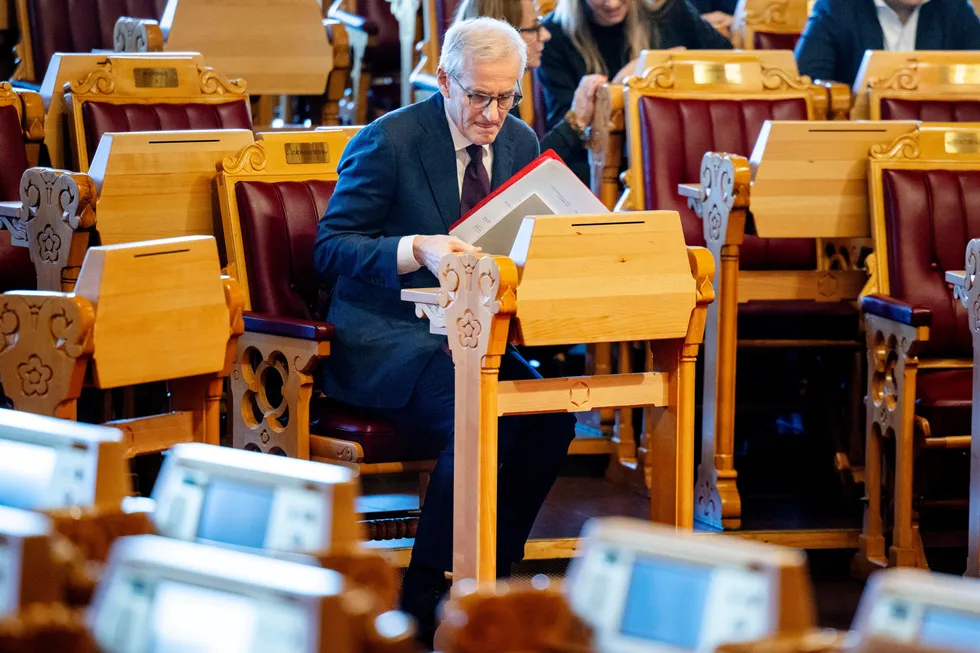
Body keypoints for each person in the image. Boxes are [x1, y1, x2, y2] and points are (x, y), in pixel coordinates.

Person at [313, 17, 577, 646]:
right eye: (479, 96)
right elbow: (331, 247)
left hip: (472, 336)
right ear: (443, 80)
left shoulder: (517, 139)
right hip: (389, 338)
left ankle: (491, 566)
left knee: (552, 418)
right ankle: (427, 589)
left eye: (506, 96)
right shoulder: (391, 141)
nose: (492, 114)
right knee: (481, 412)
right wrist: (414, 247)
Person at [538, 0, 732, 184]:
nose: (612, 4)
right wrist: (616, 88)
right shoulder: (554, 34)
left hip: (675, 149)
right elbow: (567, 131)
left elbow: (732, 66)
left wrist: (682, 69)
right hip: (597, 162)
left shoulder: (670, 11)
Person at [453, 0, 607, 188]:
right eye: (535, 27)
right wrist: (576, 121)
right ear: (506, 37)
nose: (546, 35)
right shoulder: (483, 101)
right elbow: (520, 177)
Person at [796, 0, 980, 87]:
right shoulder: (836, 6)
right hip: (862, 137)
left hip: (936, 134)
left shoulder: (954, 8)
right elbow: (805, 80)